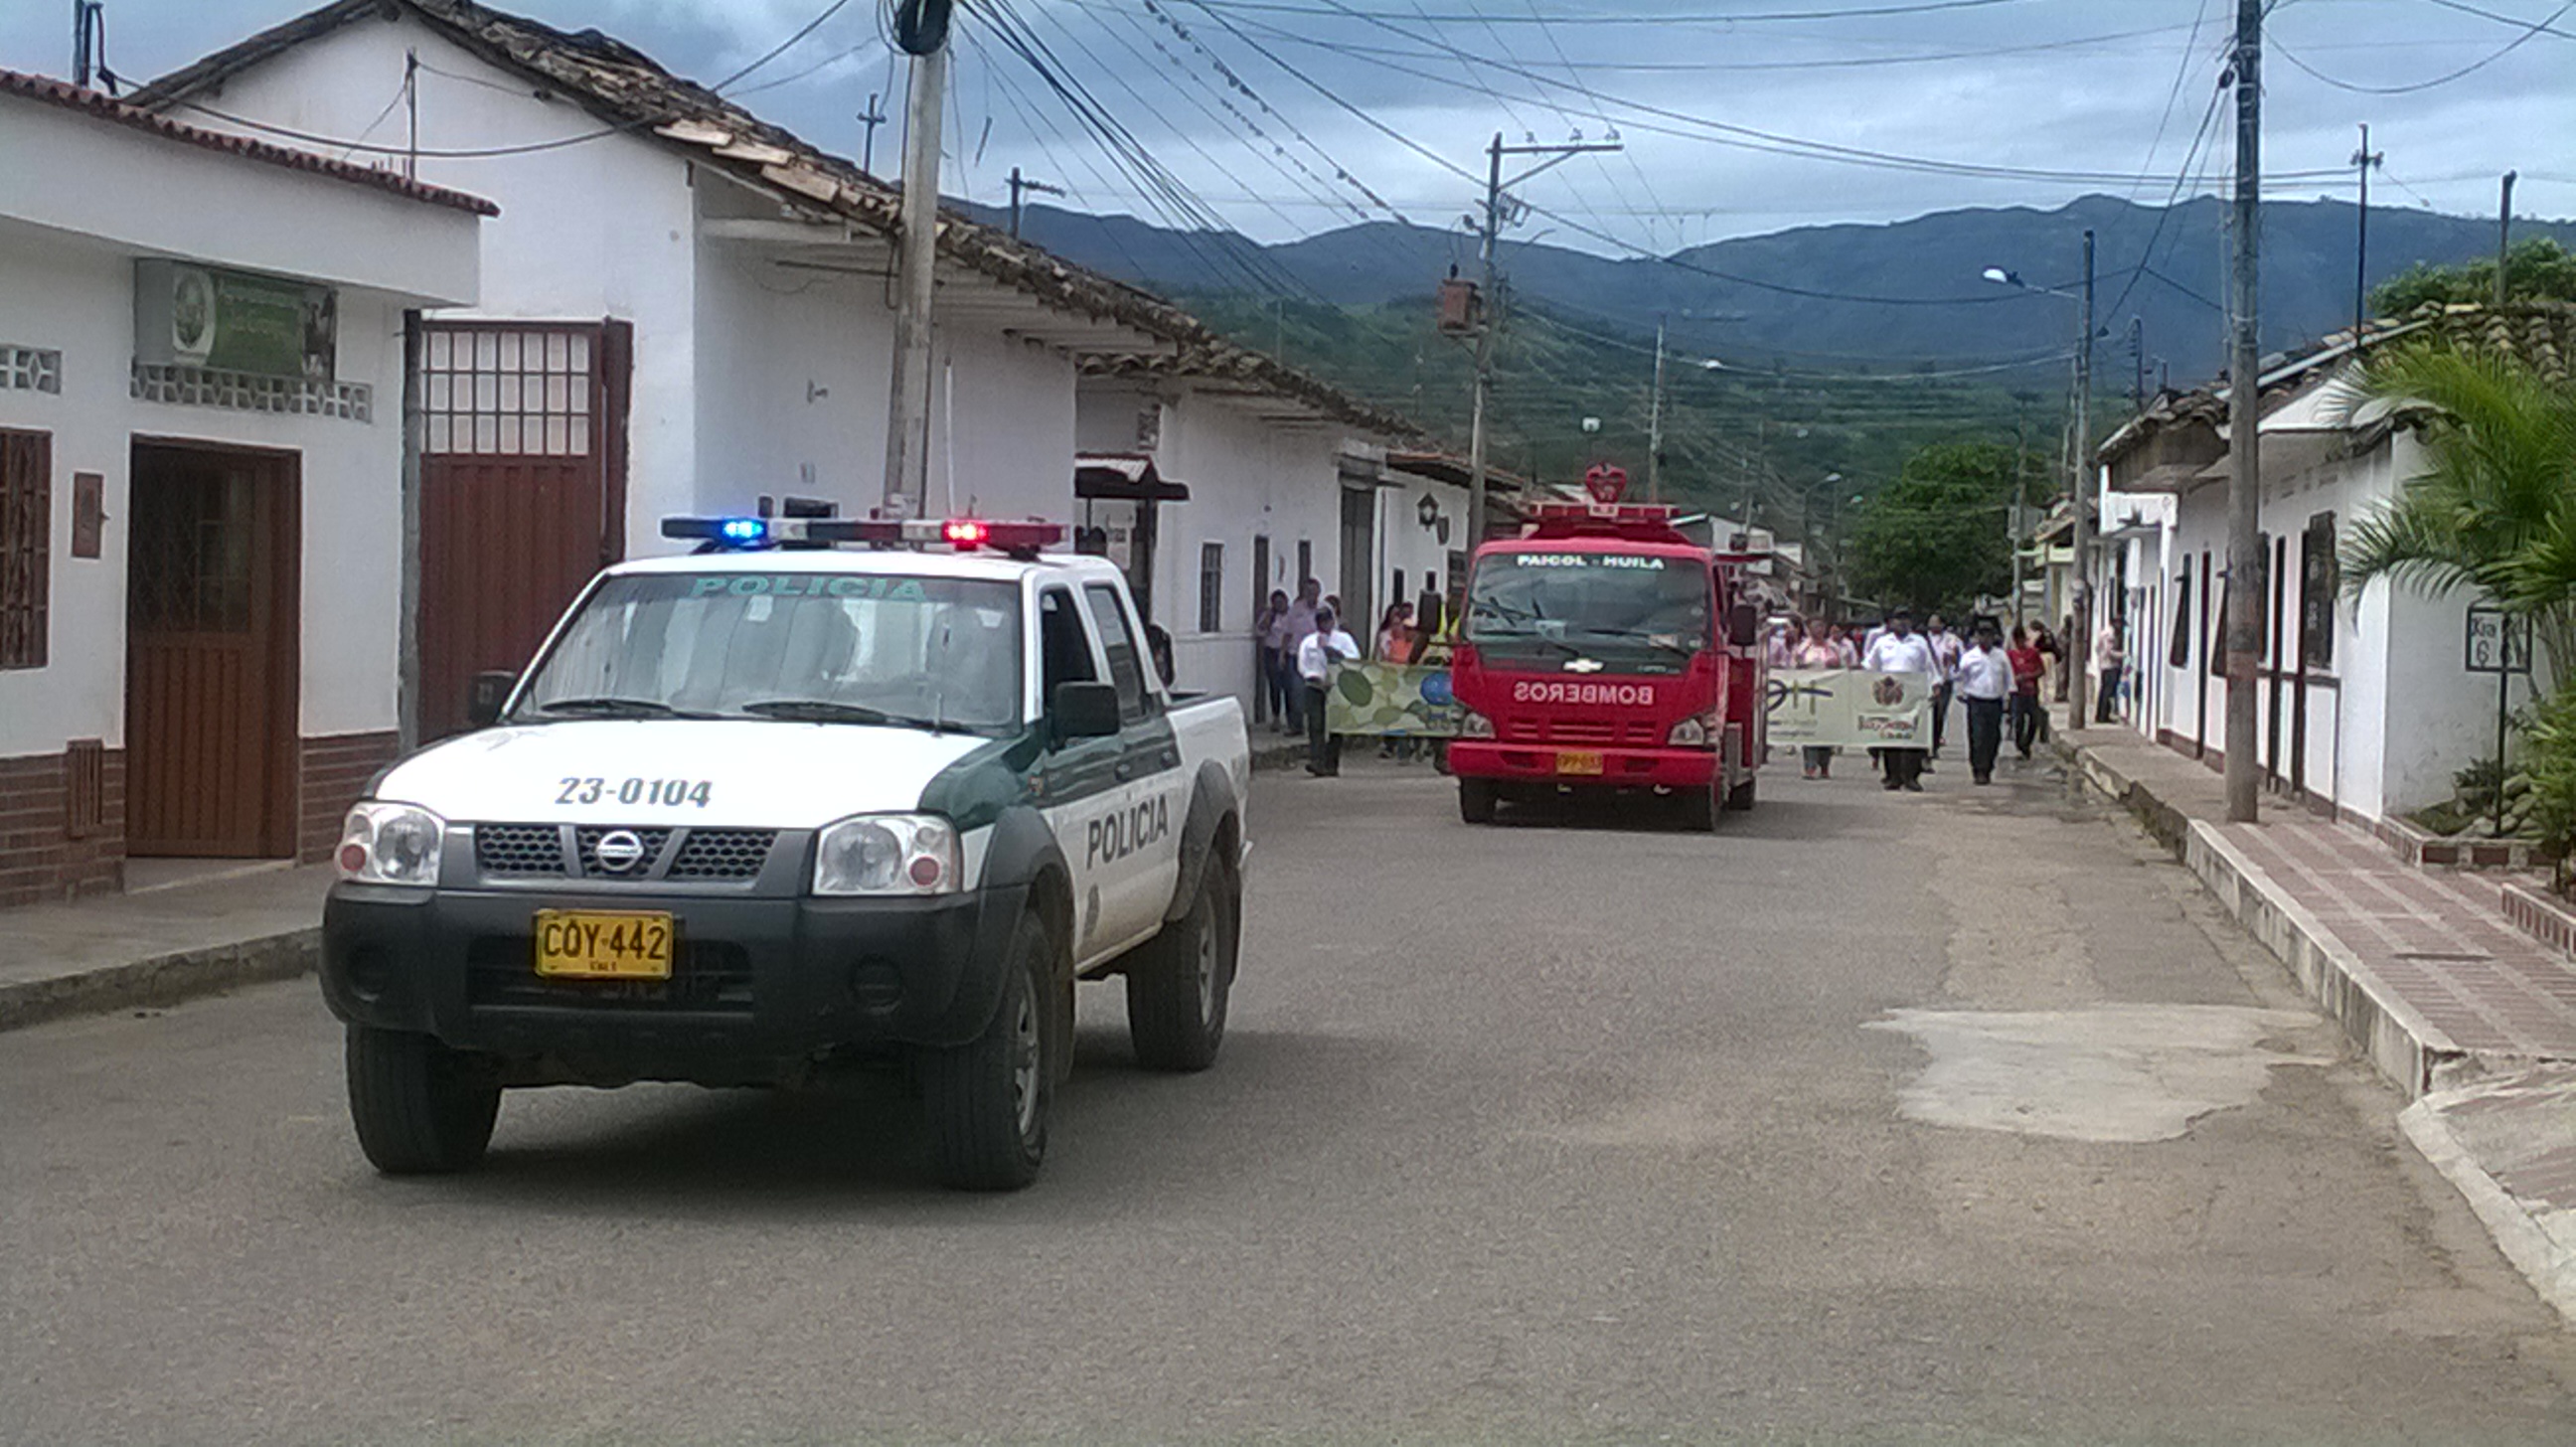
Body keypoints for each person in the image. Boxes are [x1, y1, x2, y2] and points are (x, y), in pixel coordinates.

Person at [1862, 608, 1937, 791]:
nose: (1902, 623)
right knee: (1891, 735)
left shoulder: (1919, 642)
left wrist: (1935, 685)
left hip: (1913, 694)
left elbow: (1929, 667)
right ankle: (1893, 776)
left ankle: (1911, 777)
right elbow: (1870, 667)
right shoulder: (1882, 642)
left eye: (1906, 619)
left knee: (1913, 736)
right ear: (1891, 622)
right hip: (1889, 695)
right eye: (1898, 619)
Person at [1298, 603, 1361, 776]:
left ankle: (1331, 763)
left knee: (1335, 725)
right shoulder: (1309, 641)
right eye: (1320, 621)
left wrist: (1332, 651)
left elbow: (1354, 658)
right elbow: (1303, 664)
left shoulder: (1343, 639)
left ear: (1332, 621)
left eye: (1326, 621)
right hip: (1315, 685)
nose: (1324, 624)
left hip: (1336, 686)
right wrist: (1313, 677)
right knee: (1315, 724)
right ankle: (1316, 760)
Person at [1955, 618, 2016, 785]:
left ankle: (1988, 767)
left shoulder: (2001, 656)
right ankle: (1978, 769)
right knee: (1978, 736)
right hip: (1976, 700)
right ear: (1977, 637)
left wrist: (2009, 697)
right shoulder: (1969, 657)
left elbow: (2008, 678)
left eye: (1988, 635)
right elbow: (1961, 677)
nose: (1985, 638)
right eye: (1982, 635)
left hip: (1995, 701)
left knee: (1993, 737)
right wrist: (1960, 692)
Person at [1792, 616, 1843, 779]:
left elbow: (1844, 668)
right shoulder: (1803, 648)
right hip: (1808, 694)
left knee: (1826, 731)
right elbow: (1792, 668)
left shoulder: (1833, 647)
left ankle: (1825, 765)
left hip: (1828, 694)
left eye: (1821, 626)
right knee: (1809, 731)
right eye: (1815, 627)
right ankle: (1810, 765)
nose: (1818, 630)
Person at [1278, 578, 1322, 732]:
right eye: (1308, 592)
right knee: (1295, 691)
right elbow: (1287, 633)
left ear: (1319, 592)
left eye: (1314, 591)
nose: (1311, 595)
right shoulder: (1296, 610)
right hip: (1297, 655)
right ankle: (1296, 726)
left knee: (1315, 692)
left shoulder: (1324, 609)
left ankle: (1315, 726)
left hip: (1317, 658)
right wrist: (1282, 654)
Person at [1924, 613, 1964, 761]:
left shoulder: (1952, 640)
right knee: (1926, 714)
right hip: (1925, 681)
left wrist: (1954, 659)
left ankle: (1934, 744)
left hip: (1945, 681)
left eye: (1936, 622)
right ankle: (1925, 744)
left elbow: (1961, 660)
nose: (1933, 625)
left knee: (1939, 713)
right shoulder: (1923, 640)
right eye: (1931, 622)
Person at [2007, 624, 2046, 759]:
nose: (2019, 643)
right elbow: (2007, 672)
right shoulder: (2011, 655)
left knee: (2033, 720)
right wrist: (2014, 679)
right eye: (2016, 640)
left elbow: (2041, 670)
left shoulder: (2033, 653)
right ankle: (2020, 745)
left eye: (2021, 640)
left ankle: (2027, 743)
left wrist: (2028, 676)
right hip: (2017, 692)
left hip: (2031, 692)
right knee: (2018, 721)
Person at [1256, 588, 1291, 729]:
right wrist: (1268, 619)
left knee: (1289, 685)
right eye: (1276, 603)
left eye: (1281, 602)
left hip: (1288, 651)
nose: (1279, 605)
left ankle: (1291, 716)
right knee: (1274, 684)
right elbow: (1260, 631)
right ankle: (1276, 716)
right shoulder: (1269, 616)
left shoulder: (1291, 615)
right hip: (1271, 650)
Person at [2093, 616, 2126, 724]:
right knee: (2108, 692)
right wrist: (2123, 655)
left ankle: (2101, 715)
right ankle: (2103, 716)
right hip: (2110, 665)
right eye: (2120, 625)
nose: (2121, 628)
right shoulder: (2110, 635)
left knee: (2104, 691)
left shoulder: (2103, 633)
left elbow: (2097, 648)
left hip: (2104, 665)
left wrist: (2101, 658)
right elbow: (2109, 651)